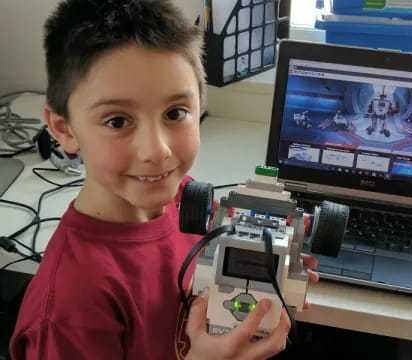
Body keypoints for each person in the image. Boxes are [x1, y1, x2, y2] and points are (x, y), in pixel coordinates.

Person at [9, 1, 319, 359]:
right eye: (117, 121)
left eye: (175, 113)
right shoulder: (68, 309)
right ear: (64, 129)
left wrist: (267, 271)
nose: (157, 151)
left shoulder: (184, 198)